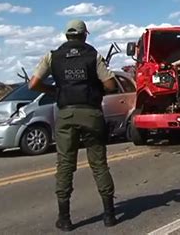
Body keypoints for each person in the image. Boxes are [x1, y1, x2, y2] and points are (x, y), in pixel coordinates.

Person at [29, 19, 117, 231]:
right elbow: (111, 85)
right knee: (99, 164)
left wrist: (56, 91)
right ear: (85, 34)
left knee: (65, 165)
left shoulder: (53, 56)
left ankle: (65, 218)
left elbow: (33, 84)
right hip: (91, 114)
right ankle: (109, 215)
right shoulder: (92, 54)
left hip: (66, 115)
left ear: (67, 35)